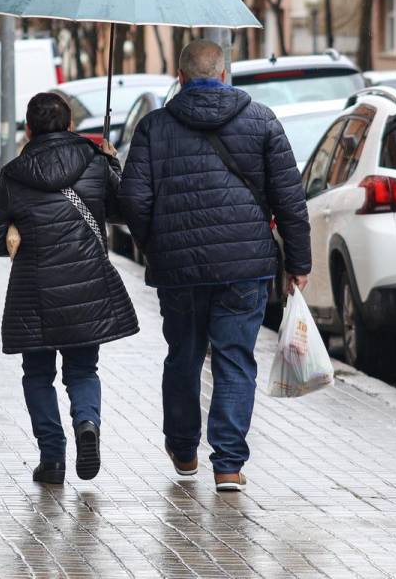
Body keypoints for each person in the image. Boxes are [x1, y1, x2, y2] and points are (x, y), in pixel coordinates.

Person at [119, 39, 310, 493]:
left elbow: (132, 198)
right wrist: (298, 263)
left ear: (180, 78)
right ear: (225, 75)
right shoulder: (262, 120)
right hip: (245, 266)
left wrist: (155, 245)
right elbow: (290, 199)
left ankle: (183, 450)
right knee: (234, 359)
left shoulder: (154, 127)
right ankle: (228, 464)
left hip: (179, 270)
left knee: (183, 356)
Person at [0, 93, 138, 485]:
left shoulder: (14, 175)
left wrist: (15, 231)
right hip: (86, 288)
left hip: (34, 291)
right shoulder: (94, 162)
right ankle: (87, 423)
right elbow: (123, 211)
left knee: (37, 374)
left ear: (29, 130)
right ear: (70, 126)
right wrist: (111, 162)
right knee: (83, 369)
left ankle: (52, 459)